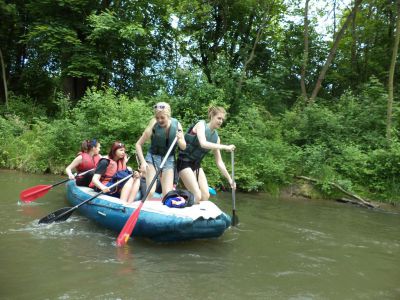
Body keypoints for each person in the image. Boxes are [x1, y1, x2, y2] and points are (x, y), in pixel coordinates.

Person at [177, 106, 235, 203]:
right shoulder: (201, 125)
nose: (221, 121)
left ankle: (192, 204)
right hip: (184, 162)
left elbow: (219, 162)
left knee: (205, 196)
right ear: (212, 116)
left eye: (222, 119)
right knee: (197, 195)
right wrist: (225, 147)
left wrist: (230, 179)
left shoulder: (216, 138)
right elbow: (203, 143)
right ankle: (178, 198)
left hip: (196, 165)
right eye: (219, 118)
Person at [135, 102, 186, 199]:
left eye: (162, 117)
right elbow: (138, 144)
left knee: (167, 194)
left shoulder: (177, 125)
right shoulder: (153, 124)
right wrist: (142, 162)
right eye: (157, 118)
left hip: (168, 160)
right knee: (150, 191)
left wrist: (179, 139)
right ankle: (145, 208)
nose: (159, 120)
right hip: (152, 158)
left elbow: (183, 147)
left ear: (169, 115)